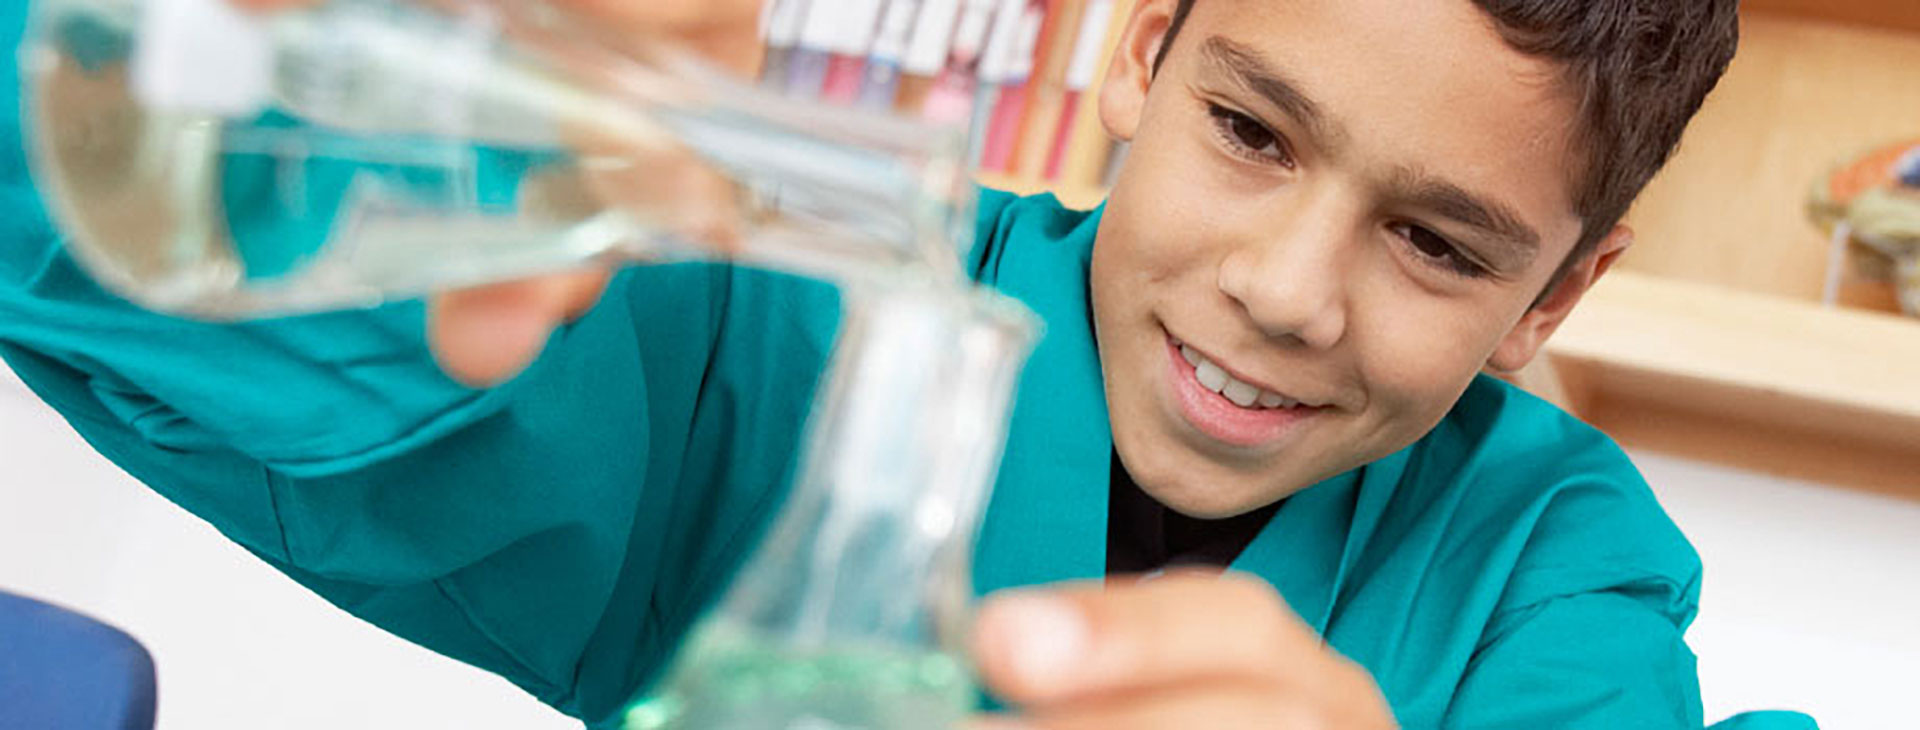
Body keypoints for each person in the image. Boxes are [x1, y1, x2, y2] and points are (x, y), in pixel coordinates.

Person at [0, 0, 1814, 727]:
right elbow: (362, 350)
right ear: (1137, 56)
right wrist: (381, 105)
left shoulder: (1555, 559)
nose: (1286, 292)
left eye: (1435, 242)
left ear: (1556, 295)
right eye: (1253, 130)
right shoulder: (770, 313)